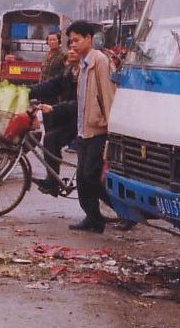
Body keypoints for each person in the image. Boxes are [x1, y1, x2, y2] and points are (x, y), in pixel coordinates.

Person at [66, 20, 116, 234]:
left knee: (90, 176)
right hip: (83, 129)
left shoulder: (100, 61)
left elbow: (108, 95)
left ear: (89, 38)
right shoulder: (83, 64)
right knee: (82, 178)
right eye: (71, 41)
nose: (73, 45)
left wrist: (111, 126)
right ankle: (93, 218)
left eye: (77, 40)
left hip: (99, 129)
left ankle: (120, 210)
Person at [29, 39, 80, 197]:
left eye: (75, 50)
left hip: (82, 119)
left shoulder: (86, 73)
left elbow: (81, 103)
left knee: (87, 174)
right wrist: (26, 91)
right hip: (68, 114)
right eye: (70, 48)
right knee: (50, 139)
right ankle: (53, 181)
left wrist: (54, 108)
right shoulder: (69, 70)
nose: (71, 52)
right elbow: (51, 84)